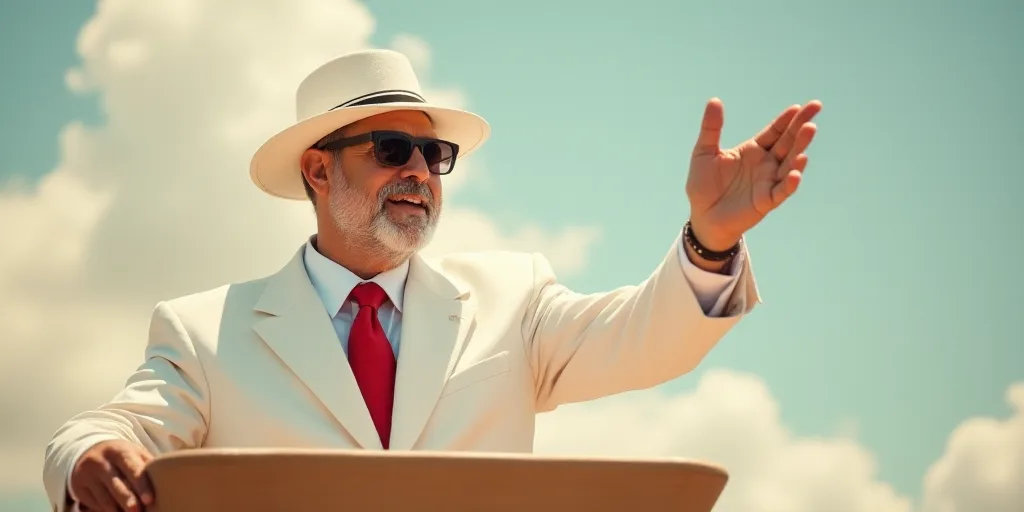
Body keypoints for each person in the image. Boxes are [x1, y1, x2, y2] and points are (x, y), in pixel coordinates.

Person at [42, 49, 821, 512]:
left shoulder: (513, 299)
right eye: (391, 149)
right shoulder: (203, 329)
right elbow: (102, 432)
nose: (419, 171)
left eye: (433, 155)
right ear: (319, 168)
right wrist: (89, 456)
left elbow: (642, 341)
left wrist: (712, 239)